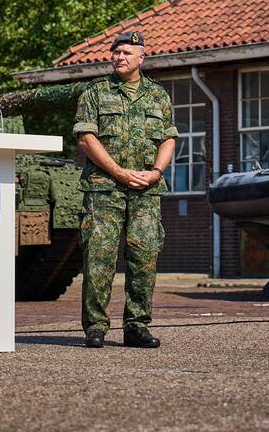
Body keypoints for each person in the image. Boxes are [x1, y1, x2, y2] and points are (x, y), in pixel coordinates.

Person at [73, 30, 177, 349]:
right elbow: (86, 138)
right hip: (105, 190)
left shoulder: (158, 96)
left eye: (127, 53)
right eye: (116, 52)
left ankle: (137, 326)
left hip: (146, 192)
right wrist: (118, 172)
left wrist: (157, 172)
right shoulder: (95, 92)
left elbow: (168, 139)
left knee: (144, 258)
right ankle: (95, 326)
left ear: (141, 57)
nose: (119, 57)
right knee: (98, 258)